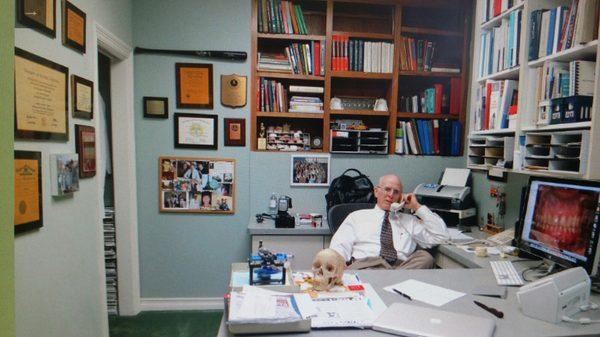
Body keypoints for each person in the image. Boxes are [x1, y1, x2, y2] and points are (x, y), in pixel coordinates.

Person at [329, 174, 449, 269]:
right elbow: (338, 248)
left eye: (396, 192)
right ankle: (393, 282)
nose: (391, 195)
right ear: (376, 192)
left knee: (426, 258)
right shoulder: (356, 217)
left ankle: (392, 281)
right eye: (387, 189)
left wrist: (417, 207)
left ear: (400, 197)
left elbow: (441, 237)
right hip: (367, 266)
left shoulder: (409, 221)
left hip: (401, 269)